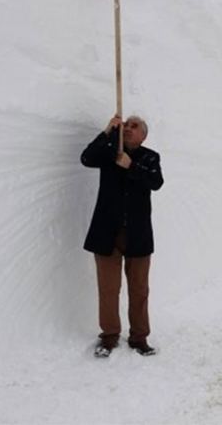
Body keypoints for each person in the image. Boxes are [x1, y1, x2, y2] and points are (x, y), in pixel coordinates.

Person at [81, 114, 164, 358]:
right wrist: (108, 131)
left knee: (139, 290)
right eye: (126, 125)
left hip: (138, 235)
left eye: (134, 126)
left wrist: (131, 165)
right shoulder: (109, 153)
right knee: (108, 288)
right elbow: (86, 158)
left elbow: (156, 182)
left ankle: (139, 338)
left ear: (143, 135)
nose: (128, 128)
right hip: (107, 233)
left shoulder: (150, 157)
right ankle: (109, 336)